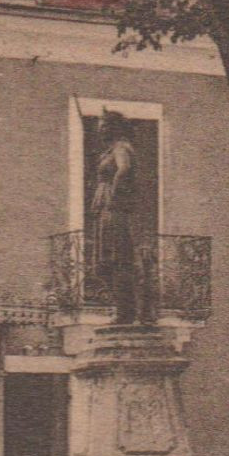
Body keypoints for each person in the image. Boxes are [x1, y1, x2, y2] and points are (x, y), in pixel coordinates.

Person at [90, 111, 143, 324]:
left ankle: (126, 312)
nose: (100, 130)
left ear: (114, 127)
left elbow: (124, 168)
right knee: (107, 262)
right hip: (106, 209)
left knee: (118, 259)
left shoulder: (121, 147)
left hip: (113, 209)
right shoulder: (111, 149)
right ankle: (122, 308)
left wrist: (113, 193)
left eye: (104, 126)